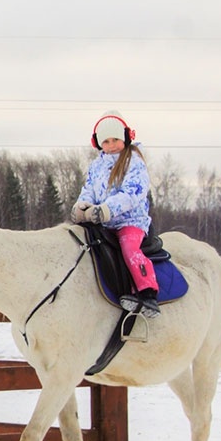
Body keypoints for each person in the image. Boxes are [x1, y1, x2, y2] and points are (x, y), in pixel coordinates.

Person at [71, 110, 161, 318]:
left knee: (129, 247)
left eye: (115, 140)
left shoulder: (134, 162)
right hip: (102, 221)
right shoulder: (97, 166)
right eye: (106, 141)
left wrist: (107, 209)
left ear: (126, 138)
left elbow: (133, 193)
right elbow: (89, 189)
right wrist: (82, 206)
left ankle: (147, 292)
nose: (111, 145)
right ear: (98, 143)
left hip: (129, 221)